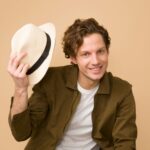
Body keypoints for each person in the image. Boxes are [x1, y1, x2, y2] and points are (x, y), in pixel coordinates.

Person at [7, 18, 137, 150]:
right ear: (74, 58)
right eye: (86, 54)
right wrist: (20, 89)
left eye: (100, 51)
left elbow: (125, 144)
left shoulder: (122, 91)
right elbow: (21, 133)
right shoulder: (51, 81)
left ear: (107, 51)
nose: (96, 61)